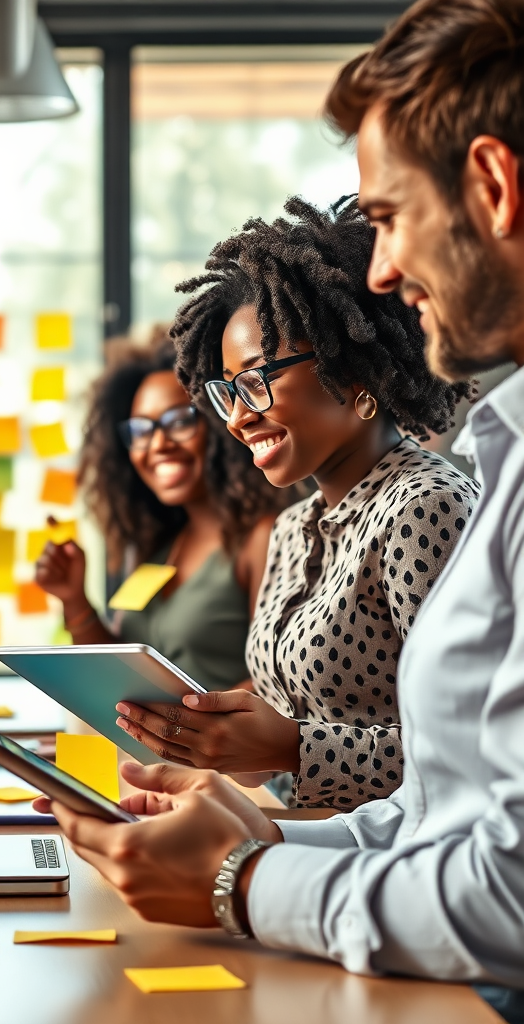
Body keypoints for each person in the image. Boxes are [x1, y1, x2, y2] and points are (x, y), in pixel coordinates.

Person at [40, 0, 524, 1008]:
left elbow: (500, 883)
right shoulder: (321, 510)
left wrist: (245, 867)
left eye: (387, 217)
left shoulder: (433, 498)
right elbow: (447, 811)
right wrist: (246, 830)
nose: (385, 270)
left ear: (489, 186)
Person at [116, 196, 476, 808]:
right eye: (226, 391)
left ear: (354, 370)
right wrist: (214, 773)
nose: (236, 417)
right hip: (305, 843)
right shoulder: (293, 526)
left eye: (257, 379)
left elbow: (473, 755)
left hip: (406, 874)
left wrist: (292, 748)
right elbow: (287, 720)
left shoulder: (426, 508)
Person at [35, 334, 290, 691]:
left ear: (219, 423)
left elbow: (277, 681)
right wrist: (73, 598)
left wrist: (181, 725)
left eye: (178, 421)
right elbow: (120, 679)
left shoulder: (263, 536)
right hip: (154, 746)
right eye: (140, 430)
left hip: (220, 745)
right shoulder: (158, 546)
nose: (157, 444)